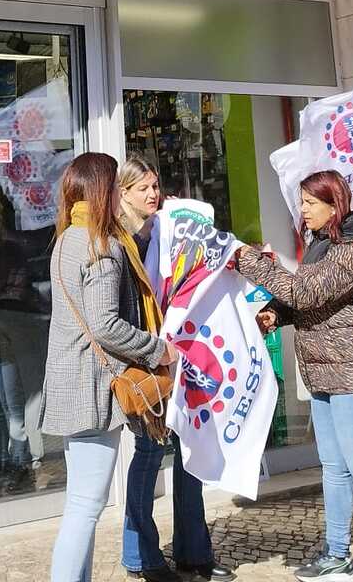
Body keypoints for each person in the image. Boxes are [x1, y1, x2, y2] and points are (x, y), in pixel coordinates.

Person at [234, 171, 353, 582]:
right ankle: (338, 554)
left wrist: (247, 260)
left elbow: (307, 292)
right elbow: (309, 299)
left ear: (334, 204)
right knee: (334, 469)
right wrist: (274, 314)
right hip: (325, 375)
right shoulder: (321, 245)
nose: (303, 210)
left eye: (311, 203)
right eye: (302, 202)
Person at [44, 152, 179, 582]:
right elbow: (106, 325)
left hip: (68, 381)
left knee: (79, 503)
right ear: (105, 191)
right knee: (85, 508)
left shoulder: (66, 238)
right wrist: (158, 350)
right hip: (92, 387)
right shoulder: (102, 245)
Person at [117, 153, 235, 582]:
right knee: (149, 455)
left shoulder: (168, 232)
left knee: (190, 450)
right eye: (143, 188)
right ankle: (141, 556)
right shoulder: (121, 242)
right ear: (123, 193)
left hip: (180, 356)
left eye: (155, 186)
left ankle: (194, 552)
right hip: (146, 361)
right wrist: (149, 348)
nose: (153, 194)